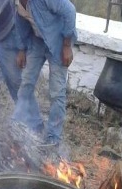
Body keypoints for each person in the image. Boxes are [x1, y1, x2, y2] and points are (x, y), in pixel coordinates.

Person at [13, 0, 77, 146]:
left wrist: (67, 46)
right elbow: (20, 22)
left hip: (58, 43)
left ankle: (53, 138)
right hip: (37, 41)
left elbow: (70, 11)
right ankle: (26, 123)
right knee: (26, 84)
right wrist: (21, 49)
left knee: (56, 92)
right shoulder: (16, 3)